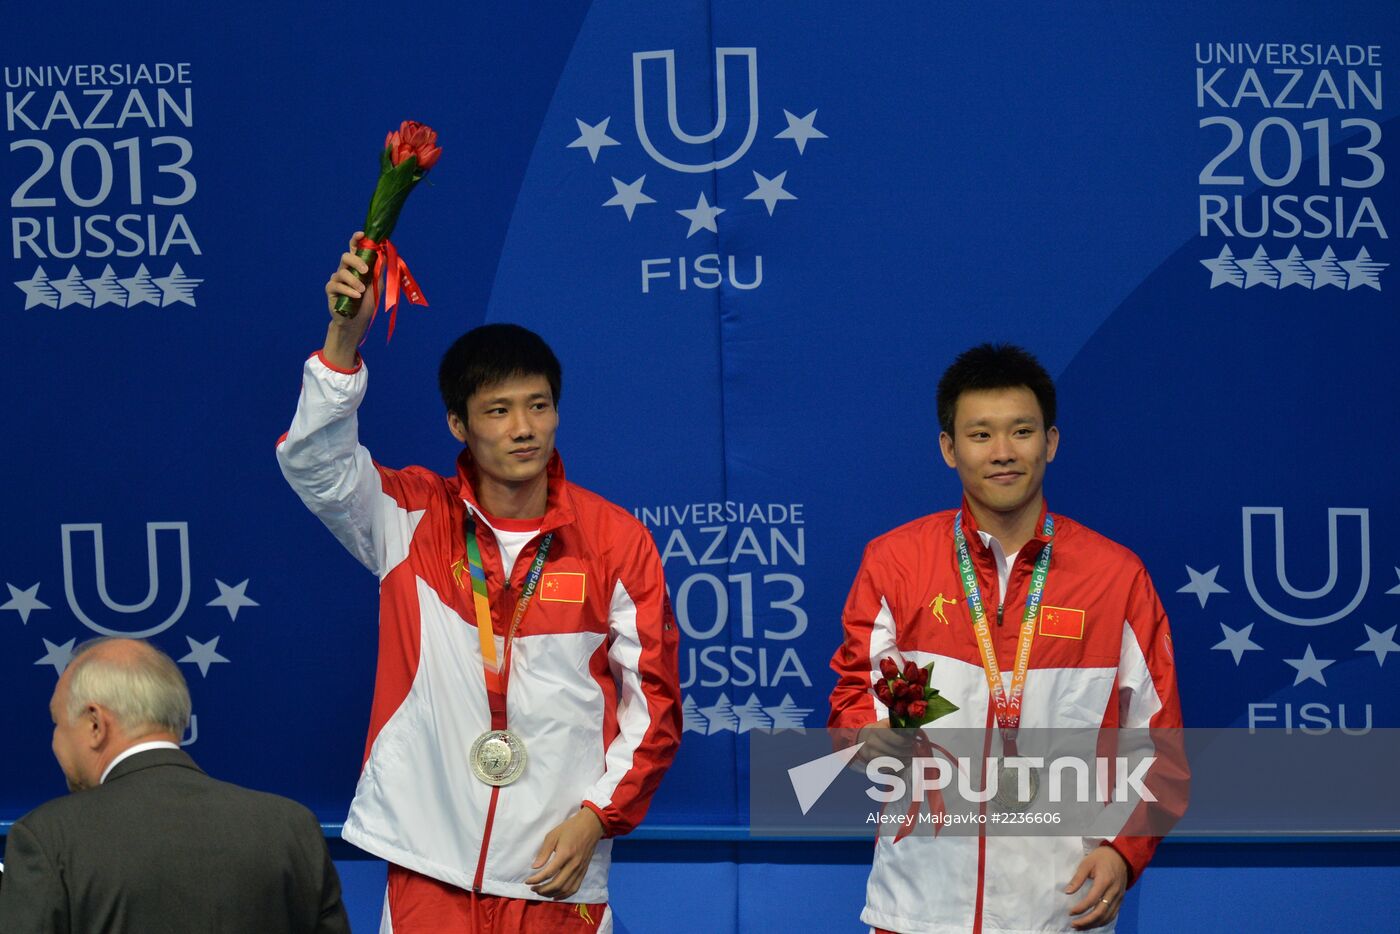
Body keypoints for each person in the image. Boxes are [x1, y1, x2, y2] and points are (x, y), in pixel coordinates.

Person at [276, 236, 681, 933]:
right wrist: (345, 336)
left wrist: (596, 819)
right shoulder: (409, 517)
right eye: (498, 411)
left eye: (539, 405)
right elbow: (316, 462)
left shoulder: (616, 542)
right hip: (429, 862)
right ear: (458, 424)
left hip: (557, 867)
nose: (524, 429)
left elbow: (654, 709)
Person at [829, 344, 1185, 934]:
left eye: (1021, 431)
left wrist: (1124, 851)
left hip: (1059, 910)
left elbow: (1159, 745)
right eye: (980, 434)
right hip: (917, 908)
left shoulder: (1115, 577)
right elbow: (853, 701)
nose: (1002, 453)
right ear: (949, 449)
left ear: (1050, 442)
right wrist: (865, 736)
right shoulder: (895, 563)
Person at [0, 638, 349, 934]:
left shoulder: (48, 839)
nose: (55, 741)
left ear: (95, 724)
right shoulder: (291, 828)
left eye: (58, 723)